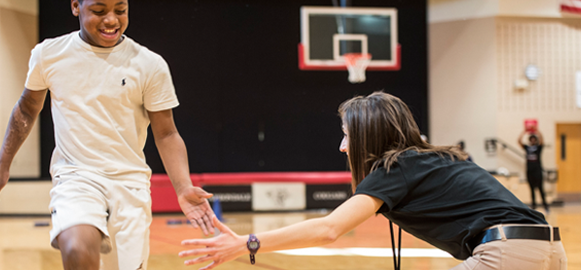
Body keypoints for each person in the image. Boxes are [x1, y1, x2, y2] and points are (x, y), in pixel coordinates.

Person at [179, 92, 567, 270]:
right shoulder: (432, 158)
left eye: (348, 134)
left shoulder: (395, 166)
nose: (343, 146)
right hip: (550, 251)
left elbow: (329, 229)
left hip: (507, 254)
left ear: (368, 136)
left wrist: (245, 244)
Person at [0, 0, 216, 269]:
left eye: (120, 10)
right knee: (77, 249)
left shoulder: (149, 64)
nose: (111, 20)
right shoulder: (49, 54)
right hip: (76, 176)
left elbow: (167, 133)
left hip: (129, 183)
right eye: (99, 11)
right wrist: (1, 165)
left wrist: (182, 187)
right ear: (76, 6)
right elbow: (27, 110)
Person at [518, 129, 549, 212]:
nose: (532, 140)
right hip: (529, 171)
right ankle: (534, 206)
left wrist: (536, 130)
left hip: (538, 170)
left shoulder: (538, 147)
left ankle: (546, 206)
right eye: (531, 139)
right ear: (529, 140)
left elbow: (542, 140)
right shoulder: (527, 147)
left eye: (534, 139)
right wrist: (524, 132)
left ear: (535, 140)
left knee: (541, 189)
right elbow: (519, 141)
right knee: (531, 190)